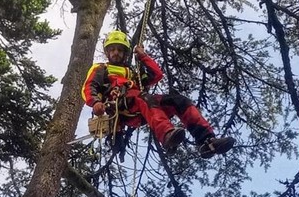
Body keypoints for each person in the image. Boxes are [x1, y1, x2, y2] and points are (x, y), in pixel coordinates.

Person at [82, 30, 235, 158]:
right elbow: (90, 86)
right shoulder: (102, 68)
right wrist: (95, 102)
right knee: (142, 97)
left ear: (125, 53)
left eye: (120, 50)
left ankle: (207, 141)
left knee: (178, 101)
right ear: (107, 52)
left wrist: (143, 56)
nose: (116, 53)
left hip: (142, 106)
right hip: (120, 106)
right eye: (112, 49)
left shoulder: (133, 73)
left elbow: (156, 75)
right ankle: (167, 136)